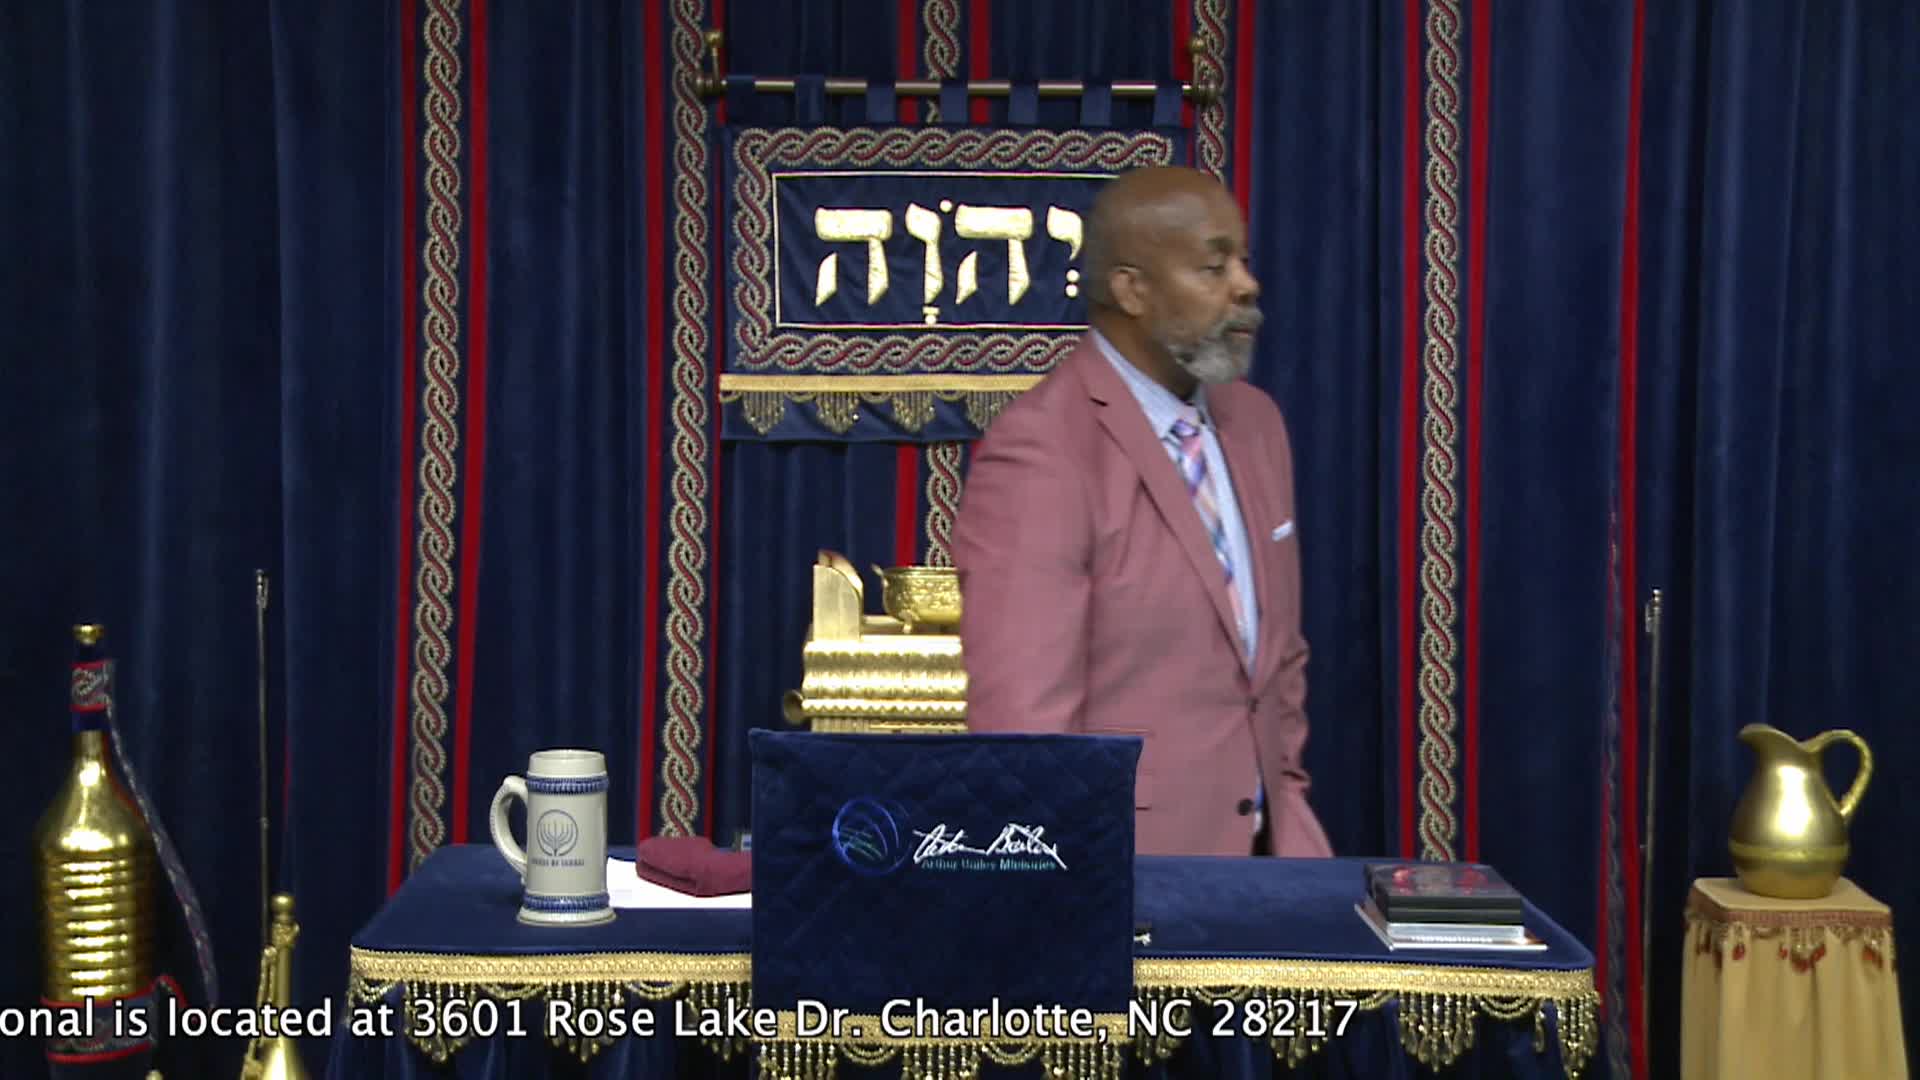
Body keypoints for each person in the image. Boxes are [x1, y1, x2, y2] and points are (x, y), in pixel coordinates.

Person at [951, 166, 1332, 858]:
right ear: (1131, 289)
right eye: (1213, 267)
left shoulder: (1256, 424)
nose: (1246, 284)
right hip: (1128, 873)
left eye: (1242, 261)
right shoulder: (1043, 449)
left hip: (1272, 864)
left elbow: (1278, 659)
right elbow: (1025, 728)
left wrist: (1287, 804)